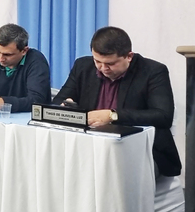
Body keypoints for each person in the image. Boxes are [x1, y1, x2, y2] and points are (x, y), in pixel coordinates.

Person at [53, 26, 181, 177]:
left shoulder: (152, 71)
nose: (103, 68)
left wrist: (113, 115)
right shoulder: (83, 66)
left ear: (129, 56)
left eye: (111, 63)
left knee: (109, 174)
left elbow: (163, 116)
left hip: (138, 149)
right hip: (88, 145)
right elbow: (58, 101)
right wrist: (66, 106)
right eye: (97, 61)